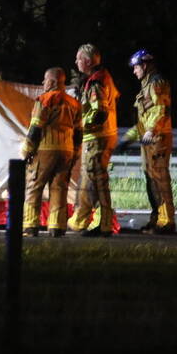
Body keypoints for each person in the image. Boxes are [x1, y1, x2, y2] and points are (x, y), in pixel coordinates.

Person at [20, 67, 82, 238]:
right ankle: (56, 227)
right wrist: (76, 152)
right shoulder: (75, 103)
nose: (43, 83)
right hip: (67, 151)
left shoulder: (44, 100)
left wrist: (26, 150)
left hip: (45, 149)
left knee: (34, 186)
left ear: (53, 82)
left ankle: (30, 226)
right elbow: (79, 132)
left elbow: (35, 128)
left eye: (45, 80)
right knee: (59, 188)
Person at [119, 49, 176, 234]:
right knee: (151, 181)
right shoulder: (146, 87)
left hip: (157, 139)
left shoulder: (156, 83)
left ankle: (166, 221)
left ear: (144, 65)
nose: (134, 71)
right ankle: (157, 219)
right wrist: (127, 139)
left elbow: (161, 111)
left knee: (159, 180)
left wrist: (151, 131)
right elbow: (143, 121)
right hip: (148, 141)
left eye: (136, 67)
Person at [67, 44, 120, 236]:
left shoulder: (96, 82)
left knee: (97, 181)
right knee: (89, 181)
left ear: (88, 61)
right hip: (101, 136)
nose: (76, 62)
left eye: (78, 58)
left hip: (98, 137)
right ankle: (82, 220)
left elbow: (99, 112)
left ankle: (103, 224)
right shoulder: (100, 78)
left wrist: (82, 126)